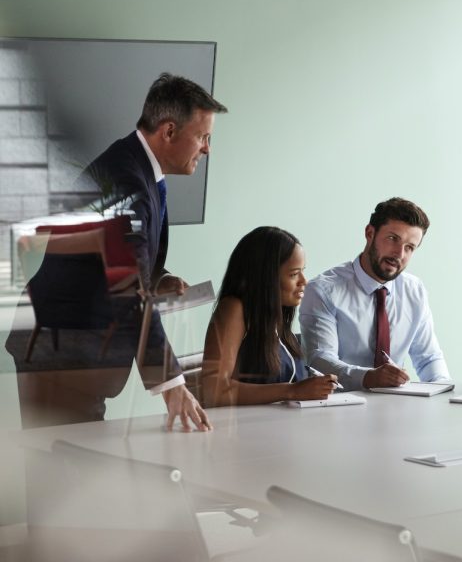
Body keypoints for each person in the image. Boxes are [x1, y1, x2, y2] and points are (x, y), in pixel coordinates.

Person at [14, 73, 226, 430]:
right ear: (169, 131)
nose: (208, 148)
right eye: (203, 137)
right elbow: (130, 287)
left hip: (73, 351)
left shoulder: (139, 169)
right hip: (60, 352)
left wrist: (158, 277)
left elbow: (121, 260)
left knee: (73, 470)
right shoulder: (126, 181)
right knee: (63, 472)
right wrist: (172, 384)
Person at [299, 197, 450, 391]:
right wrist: (368, 378)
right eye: (393, 239)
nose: (399, 254)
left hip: (396, 407)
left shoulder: (414, 290)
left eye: (409, 247)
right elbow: (319, 359)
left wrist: (444, 390)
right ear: (370, 233)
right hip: (339, 407)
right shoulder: (323, 290)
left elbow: (429, 358)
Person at [201, 227, 338, 406]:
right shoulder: (235, 308)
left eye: (302, 271)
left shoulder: (274, 317)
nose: (304, 281)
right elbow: (215, 391)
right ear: (266, 277)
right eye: (294, 274)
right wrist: (293, 391)